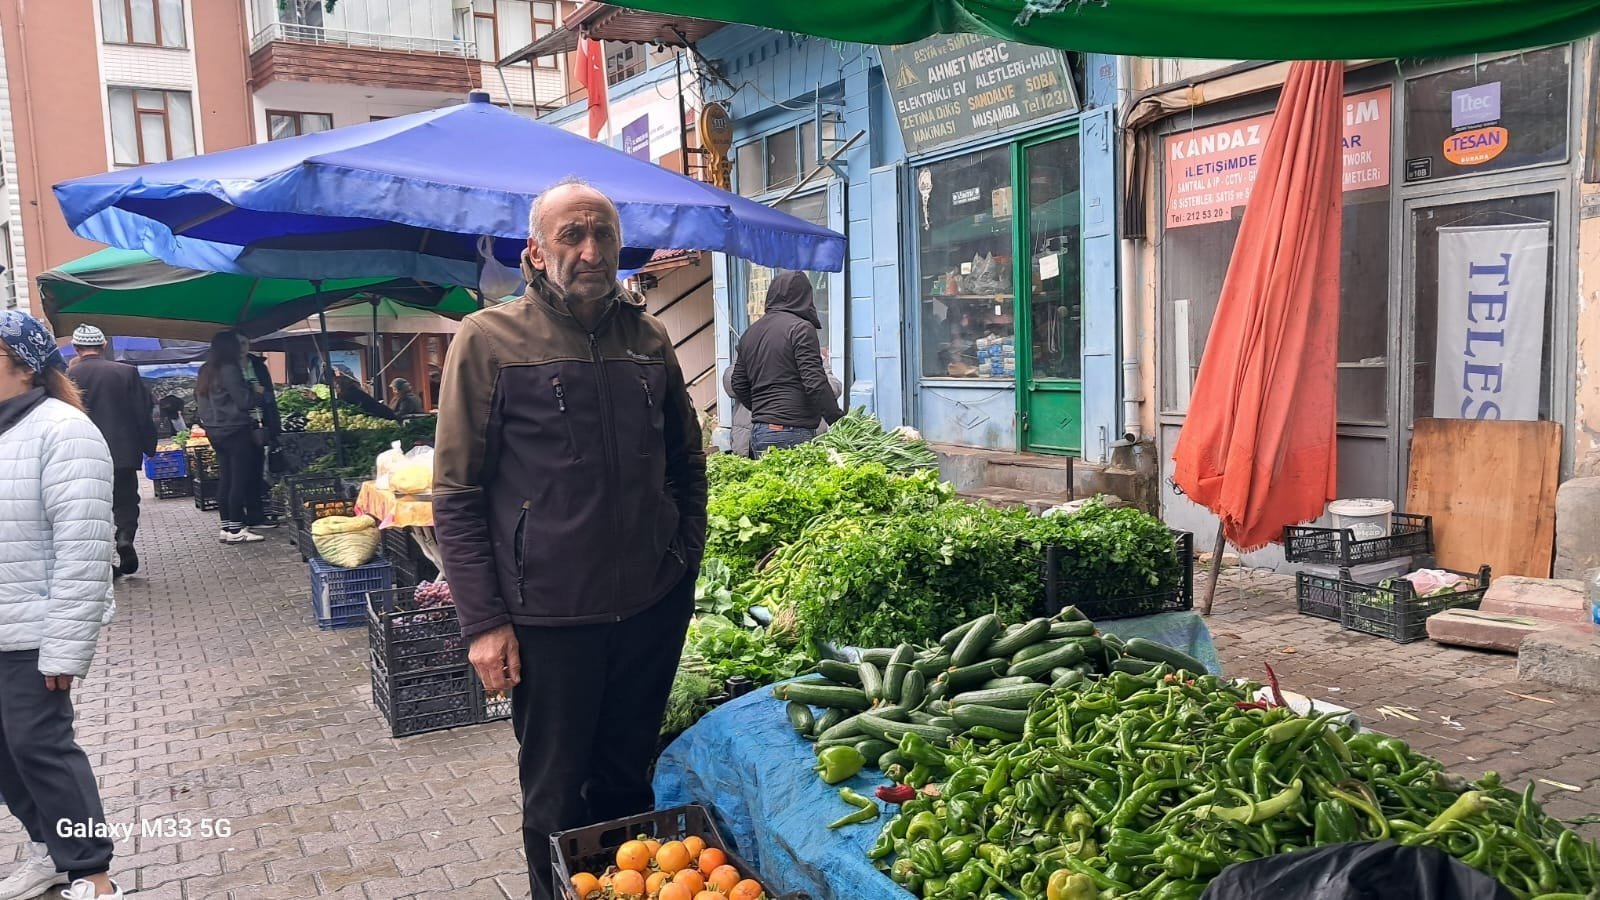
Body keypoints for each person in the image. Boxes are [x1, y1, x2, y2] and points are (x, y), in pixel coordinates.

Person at [433, 178, 706, 900]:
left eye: (604, 235)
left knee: (627, 782)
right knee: (555, 796)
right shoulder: (488, 340)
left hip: (648, 609)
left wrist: (683, 566)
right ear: (535, 252)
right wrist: (485, 624)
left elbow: (686, 462)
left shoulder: (647, 338)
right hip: (549, 618)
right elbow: (457, 494)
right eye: (572, 236)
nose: (590, 250)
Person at [0, 311, 122, 900]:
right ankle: (47, 848)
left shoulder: (63, 431)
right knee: (5, 754)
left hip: (34, 628)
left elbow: (86, 548)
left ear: (23, 366)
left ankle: (92, 874)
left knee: (39, 748)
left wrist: (65, 648)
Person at [65, 325, 156, 577]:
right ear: (103, 346)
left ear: (76, 348)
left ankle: (102, 560)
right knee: (126, 500)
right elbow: (143, 412)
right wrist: (150, 445)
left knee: (91, 507)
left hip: (82, 453)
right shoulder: (126, 372)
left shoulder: (68, 377)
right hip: (122, 451)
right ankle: (125, 536)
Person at [729, 271, 845, 455]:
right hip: (793, 431)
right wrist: (840, 422)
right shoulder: (801, 328)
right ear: (804, 297)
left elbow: (738, 383)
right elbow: (815, 382)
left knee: (772, 483)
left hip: (760, 432)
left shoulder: (750, 333)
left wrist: (764, 410)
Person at [195, 331, 265, 544]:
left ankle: (227, 527)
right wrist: (257, 391)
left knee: (226, 478)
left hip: (215, 431)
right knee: (238, 479)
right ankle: (237, 528)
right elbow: (243, 401)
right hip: (235, 429)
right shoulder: (230, 369)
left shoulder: (206, 370)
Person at [239, 338, 281, 530]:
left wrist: (274, 424)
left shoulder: (258, 365)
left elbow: (268, 394)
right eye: (238, 343)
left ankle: (257, 513)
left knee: (256, 467)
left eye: (245, 343)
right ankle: (244, 514)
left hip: (261, 422)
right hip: (238, 426)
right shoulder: (227, 368)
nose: (242, 347)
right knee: (242, 471)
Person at [333, 368, 397, 421]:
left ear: (340, 386)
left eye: (336, 386)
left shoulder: (346, 395)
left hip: (379, 415)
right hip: (383, 412)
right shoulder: (355, 391)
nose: (335, 389)